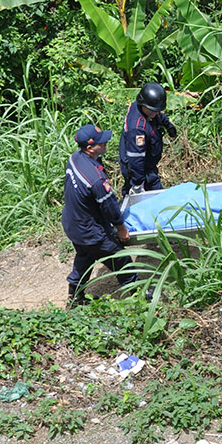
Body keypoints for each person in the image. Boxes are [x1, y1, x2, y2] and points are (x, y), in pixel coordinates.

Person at [63, 123, 142, 306]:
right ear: (90, 148)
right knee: (120, 258)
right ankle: (138, 295)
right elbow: (109, 206)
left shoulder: (75, 158)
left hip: (72, 222)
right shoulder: (96, 179)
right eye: (101, 143)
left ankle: (75, 299)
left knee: (85, 256)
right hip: (88, 229)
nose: (106, 143)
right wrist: (121, 228)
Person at [119, 82, 178, 195]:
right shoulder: (137, 129)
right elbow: (136, 158)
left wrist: (167, 124)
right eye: (153, 110)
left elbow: (158, 114)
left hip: (147, 165)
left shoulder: (145, 107)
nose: (156, 113)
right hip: (140, 171)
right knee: (155, 198)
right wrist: (137, 184)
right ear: (143, 104)